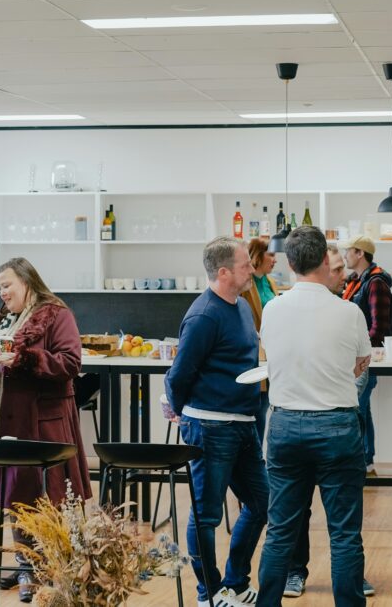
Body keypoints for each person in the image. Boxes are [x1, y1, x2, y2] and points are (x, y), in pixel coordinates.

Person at [258, 226, 371, 607]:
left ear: (289, 264)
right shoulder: (349, 311)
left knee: (280, 532)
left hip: (286, 426)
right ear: (325, 259)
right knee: (343, 534)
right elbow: (360, 365)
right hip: (338, 427)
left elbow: (268, 360)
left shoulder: (272, 309)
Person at [0, 257, 92, 602]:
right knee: (16, 495)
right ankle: (27, 562)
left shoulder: (56, 315)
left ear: (28, 281)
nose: (3, 292)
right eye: (0, 287)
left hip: (44, 423)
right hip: (7, 421)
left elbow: (71, 362)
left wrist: (26, 359)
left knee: (49, 496)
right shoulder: (2, 321)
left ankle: (51, 566)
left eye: (7, 284)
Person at [165, 237, 269, 607]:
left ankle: (235, 582)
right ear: (224, 272)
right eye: (245, 265)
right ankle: (208, 595)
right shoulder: (204, 315)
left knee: (261, 504)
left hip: (242, 422)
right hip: (209, 426)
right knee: (206, 515)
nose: (251, 270)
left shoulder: (240, 306)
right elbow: (178, 375)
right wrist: (178, 410)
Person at [341, 236, 392, 477]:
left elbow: (378, 327)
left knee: (359, 410)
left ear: (360, 253)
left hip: (363, 359)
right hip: (353, 357)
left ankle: (362, 463)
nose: (345, 256)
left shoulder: (375, 283)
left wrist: (360, 352)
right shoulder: (356, 282)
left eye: (348, 251)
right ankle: (366, 461)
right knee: (362, 409)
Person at [243, 237, 279, 439]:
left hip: (272, 352)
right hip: (254, 353)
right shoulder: (247, 285)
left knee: (264, 407)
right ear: (257, 255)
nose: (275, 260)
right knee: (257, 408)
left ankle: (257, 460)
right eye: (271, 254)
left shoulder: (270, 282)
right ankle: (254, 460)